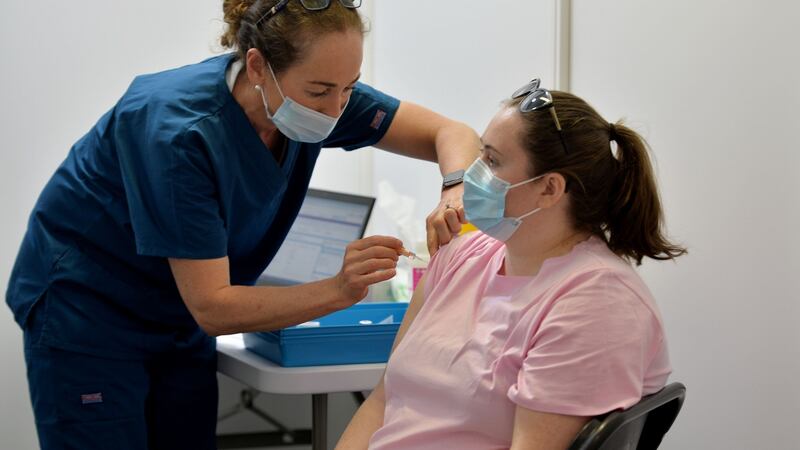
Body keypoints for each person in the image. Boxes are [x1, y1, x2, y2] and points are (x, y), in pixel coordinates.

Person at [5, 1, 480, 448]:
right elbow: (214, 307)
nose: (337, 109)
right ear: (257, 67)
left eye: (350, 88)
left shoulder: (322, 92)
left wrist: (454, 188)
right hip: (89, 309)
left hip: (177, 315)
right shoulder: (178, 131)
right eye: (319, 91)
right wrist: (340, 288)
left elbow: (451, 133)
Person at [337, 79, 687, 449]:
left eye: (492, 160)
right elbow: (383, 400)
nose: (473, 173)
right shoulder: (459, 255)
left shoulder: (594, 302)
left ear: (550, 188)